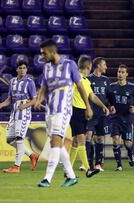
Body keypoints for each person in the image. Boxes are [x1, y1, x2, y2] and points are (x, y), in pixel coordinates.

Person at [35, 39, 93, 187]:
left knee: (55, 140)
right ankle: (71, 176)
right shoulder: (46, 68)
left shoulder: (69, 65)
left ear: (53, 52)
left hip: (64, 110)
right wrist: (39, 99)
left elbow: (80, 86)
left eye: (44, 53)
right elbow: (44, 88)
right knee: (57, 144)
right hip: (50, 110)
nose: (42, 56)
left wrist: (88, 106)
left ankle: (47, 178)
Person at [0, 61, 39, 173]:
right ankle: (32, 155)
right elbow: (10, 99)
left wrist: (25, 106)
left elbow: (34, 100)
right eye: (20, 68)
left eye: (24, 68)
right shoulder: (13, 81)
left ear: (26, 70)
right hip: (14, 113)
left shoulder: (30, 82)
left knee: (19, 138)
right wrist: (1, 104)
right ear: (17, 70)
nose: (22, 70)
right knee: (9, 139)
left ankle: (16, 167)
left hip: (24, 114)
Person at [68, 56, 109, 178]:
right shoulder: (76, 79)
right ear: (89, 67)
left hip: (82, 112)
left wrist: (103, 106)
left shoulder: (85, 81)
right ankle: (88, 169)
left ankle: (68, 170)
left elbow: (92, 96)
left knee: (76, 142)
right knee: (81, 139)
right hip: (75, 110)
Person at [107, 64, 134, 171]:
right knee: (116, 139)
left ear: (126, 74)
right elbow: (107, 100)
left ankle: (130, 153)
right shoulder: (112, 86)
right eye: (119, 72)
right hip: (115, 118)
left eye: (122, 72)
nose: (120, 74)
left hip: (127, 119)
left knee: (127, 143)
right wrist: (110, 106)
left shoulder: (132, 87)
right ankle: (119, 165)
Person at [85, 57, 110, 173]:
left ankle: (98, 163)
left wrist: (111, 105)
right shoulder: (88, 79)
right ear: (98, 66)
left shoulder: (106, 80)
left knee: (100, 137)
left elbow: (108, 96)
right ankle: (87, 163)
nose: (106, 67)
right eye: (104, 64)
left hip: (102, 114)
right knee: (88, 136)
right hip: (91, 112)